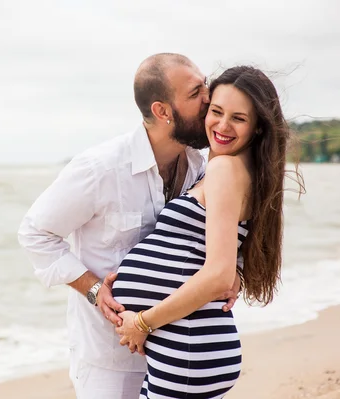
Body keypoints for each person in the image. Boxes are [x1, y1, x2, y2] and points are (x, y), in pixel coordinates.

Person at [18, 53, 242, 399]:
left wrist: (234, 272)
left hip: (181, 348)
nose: (209, 99)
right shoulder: (100, 168)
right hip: (111, 357)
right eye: (196, 92)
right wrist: (93, 288)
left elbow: (220, 232)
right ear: (162, 111)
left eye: (205, 86)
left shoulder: (202, 166)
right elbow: (36, 232)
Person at [112, 65, 296, 398]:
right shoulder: (237, 170)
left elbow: (217, 275)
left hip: (188, 346)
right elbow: (226, 255)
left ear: (257, 128)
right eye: (216, 111)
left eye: (238, 118)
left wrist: (142, 322)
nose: (222, 126)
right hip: (188, 346)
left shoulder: (225, 168)